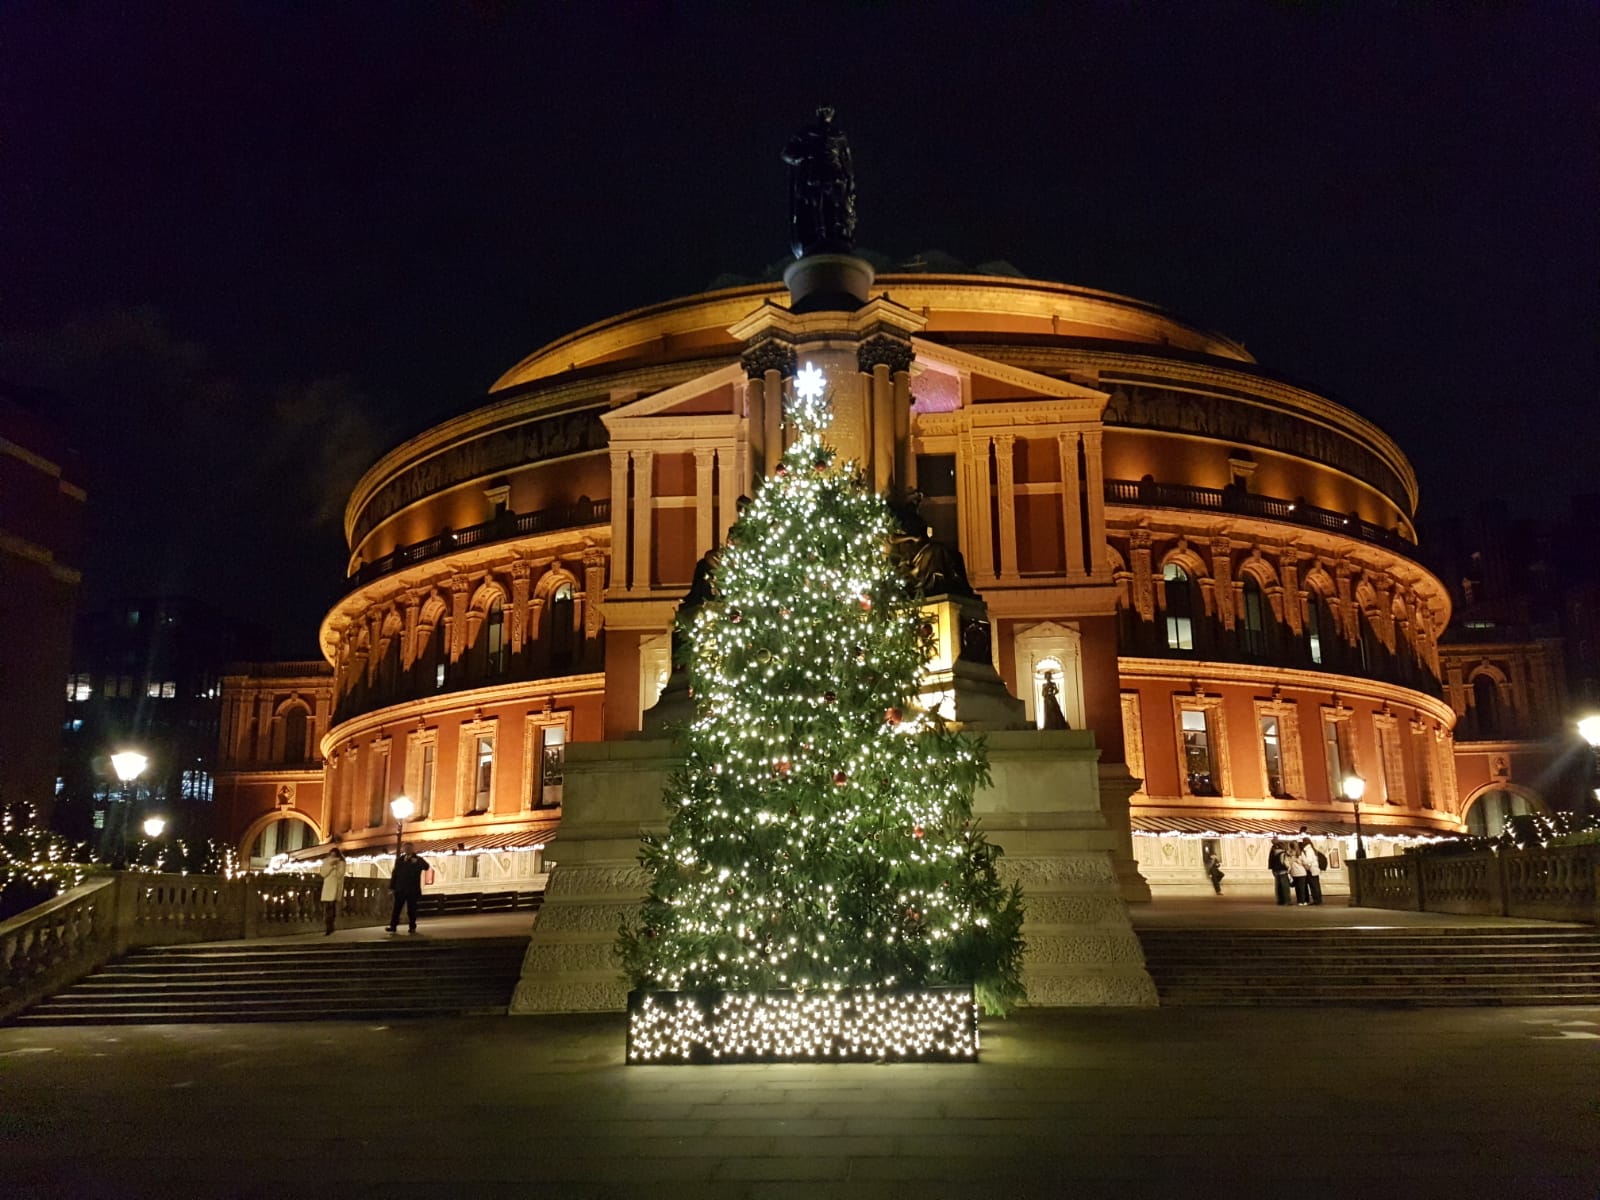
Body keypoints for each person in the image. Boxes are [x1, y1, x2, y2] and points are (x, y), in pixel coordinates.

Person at [387, 843, 431, 933]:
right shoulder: (399, 860)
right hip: (400, 889)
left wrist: (417, 862)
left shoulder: (418, 859)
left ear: (412, 849)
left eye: (409, 848)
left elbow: (426, 867)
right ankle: (393, 926)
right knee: (396, 909)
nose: (407, 850)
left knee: (412, 909)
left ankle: (412, 926)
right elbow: (395, 873)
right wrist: (392, 886)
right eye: (406, 848)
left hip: (412, 890)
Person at [318, 844, 347, 935]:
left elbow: (340, 875)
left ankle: (330, 927)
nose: (333, 857)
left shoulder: (341, 863)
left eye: (334, 855)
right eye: (331, 855)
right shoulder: (326, 862)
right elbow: (323, 874)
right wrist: (331, 867)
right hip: (327, 887)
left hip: (335, 887)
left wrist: (336, 867)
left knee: (331, 907)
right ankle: (329, 926)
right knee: (327, 908)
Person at [1268, 838, 1292, 906]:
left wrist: (1272, 868)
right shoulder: (1283, 852)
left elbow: (1270, 860)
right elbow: (1285, 862)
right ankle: (1287, 900)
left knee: (1278, 886)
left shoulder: (1273, 850)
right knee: (1285, 886)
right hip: (1283, 870)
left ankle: (1280, 900)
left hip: (1276, 870)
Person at [1286, 836, 1310, 905]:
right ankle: (1304, 901)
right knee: (1302, 888)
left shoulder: (1289, 854)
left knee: (1297, 888)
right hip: (1302, 872)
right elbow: (1305, 862)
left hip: (1294, 873)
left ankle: (1299, 901)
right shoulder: (1300, 853)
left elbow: (1288, 864)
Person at [1301, 838, 1325, 906]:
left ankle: (1316, 900)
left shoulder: (1308, 850)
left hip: (1311, 869)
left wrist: (1306, 865)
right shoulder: (1312, 849)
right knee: (1316, 885)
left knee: (1313, 886)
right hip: (1315, 869)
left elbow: (1309, 860)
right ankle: (1318, 899)